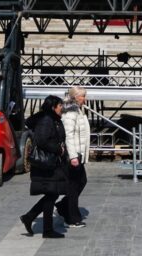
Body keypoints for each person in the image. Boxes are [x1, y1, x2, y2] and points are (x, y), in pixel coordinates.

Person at [21, 95, 70, 239]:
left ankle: (29, 217)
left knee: (52, 194)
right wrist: (58, 149)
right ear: (53, 107)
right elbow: (42, 141)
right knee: (52, 194)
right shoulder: (46, 121)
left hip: (53, 163)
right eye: (60, 106)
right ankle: (46, 230)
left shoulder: (53, 120)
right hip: (47, 164)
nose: (62, 108)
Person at [57, 86, 90, 228]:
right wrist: (73, 156)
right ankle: (72, 217)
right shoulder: (70, 112)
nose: (85, 98)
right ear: (76, 97)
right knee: (74, 185)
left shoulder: (77, 110)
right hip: (73, 155)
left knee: (81, 181)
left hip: (78, 152)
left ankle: (64, 206)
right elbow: (69, 136)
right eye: (83, 96)